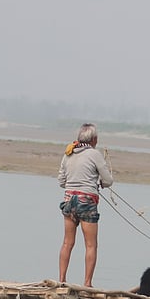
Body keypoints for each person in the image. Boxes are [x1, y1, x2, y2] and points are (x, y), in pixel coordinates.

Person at [57, 123, 114, 287]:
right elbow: (108, 180)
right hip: (86, 202)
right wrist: (99, 183)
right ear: (94, 139)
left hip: (69, 201)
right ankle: (87, 283)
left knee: (67, 243)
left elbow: (61, 181)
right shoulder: (94, 154)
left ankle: (61, 280)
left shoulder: (68, 153)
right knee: (91, 245)